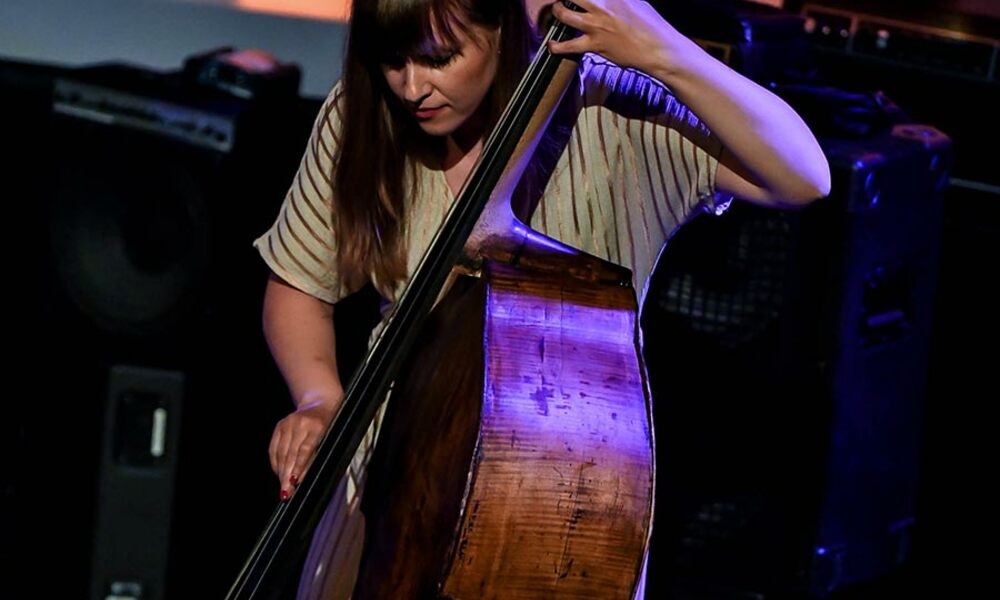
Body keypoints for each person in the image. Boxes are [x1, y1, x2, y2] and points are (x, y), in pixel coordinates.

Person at [253, 0, 830, 597]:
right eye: (392, 60)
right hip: (387, 478)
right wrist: (319, 397)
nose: (411, 86)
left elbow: (803, 176)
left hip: (562, 496)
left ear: (503, 29)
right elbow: (298, 284)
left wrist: (664, 49)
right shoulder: (365, 111)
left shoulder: (618, 113)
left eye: (438, 58)